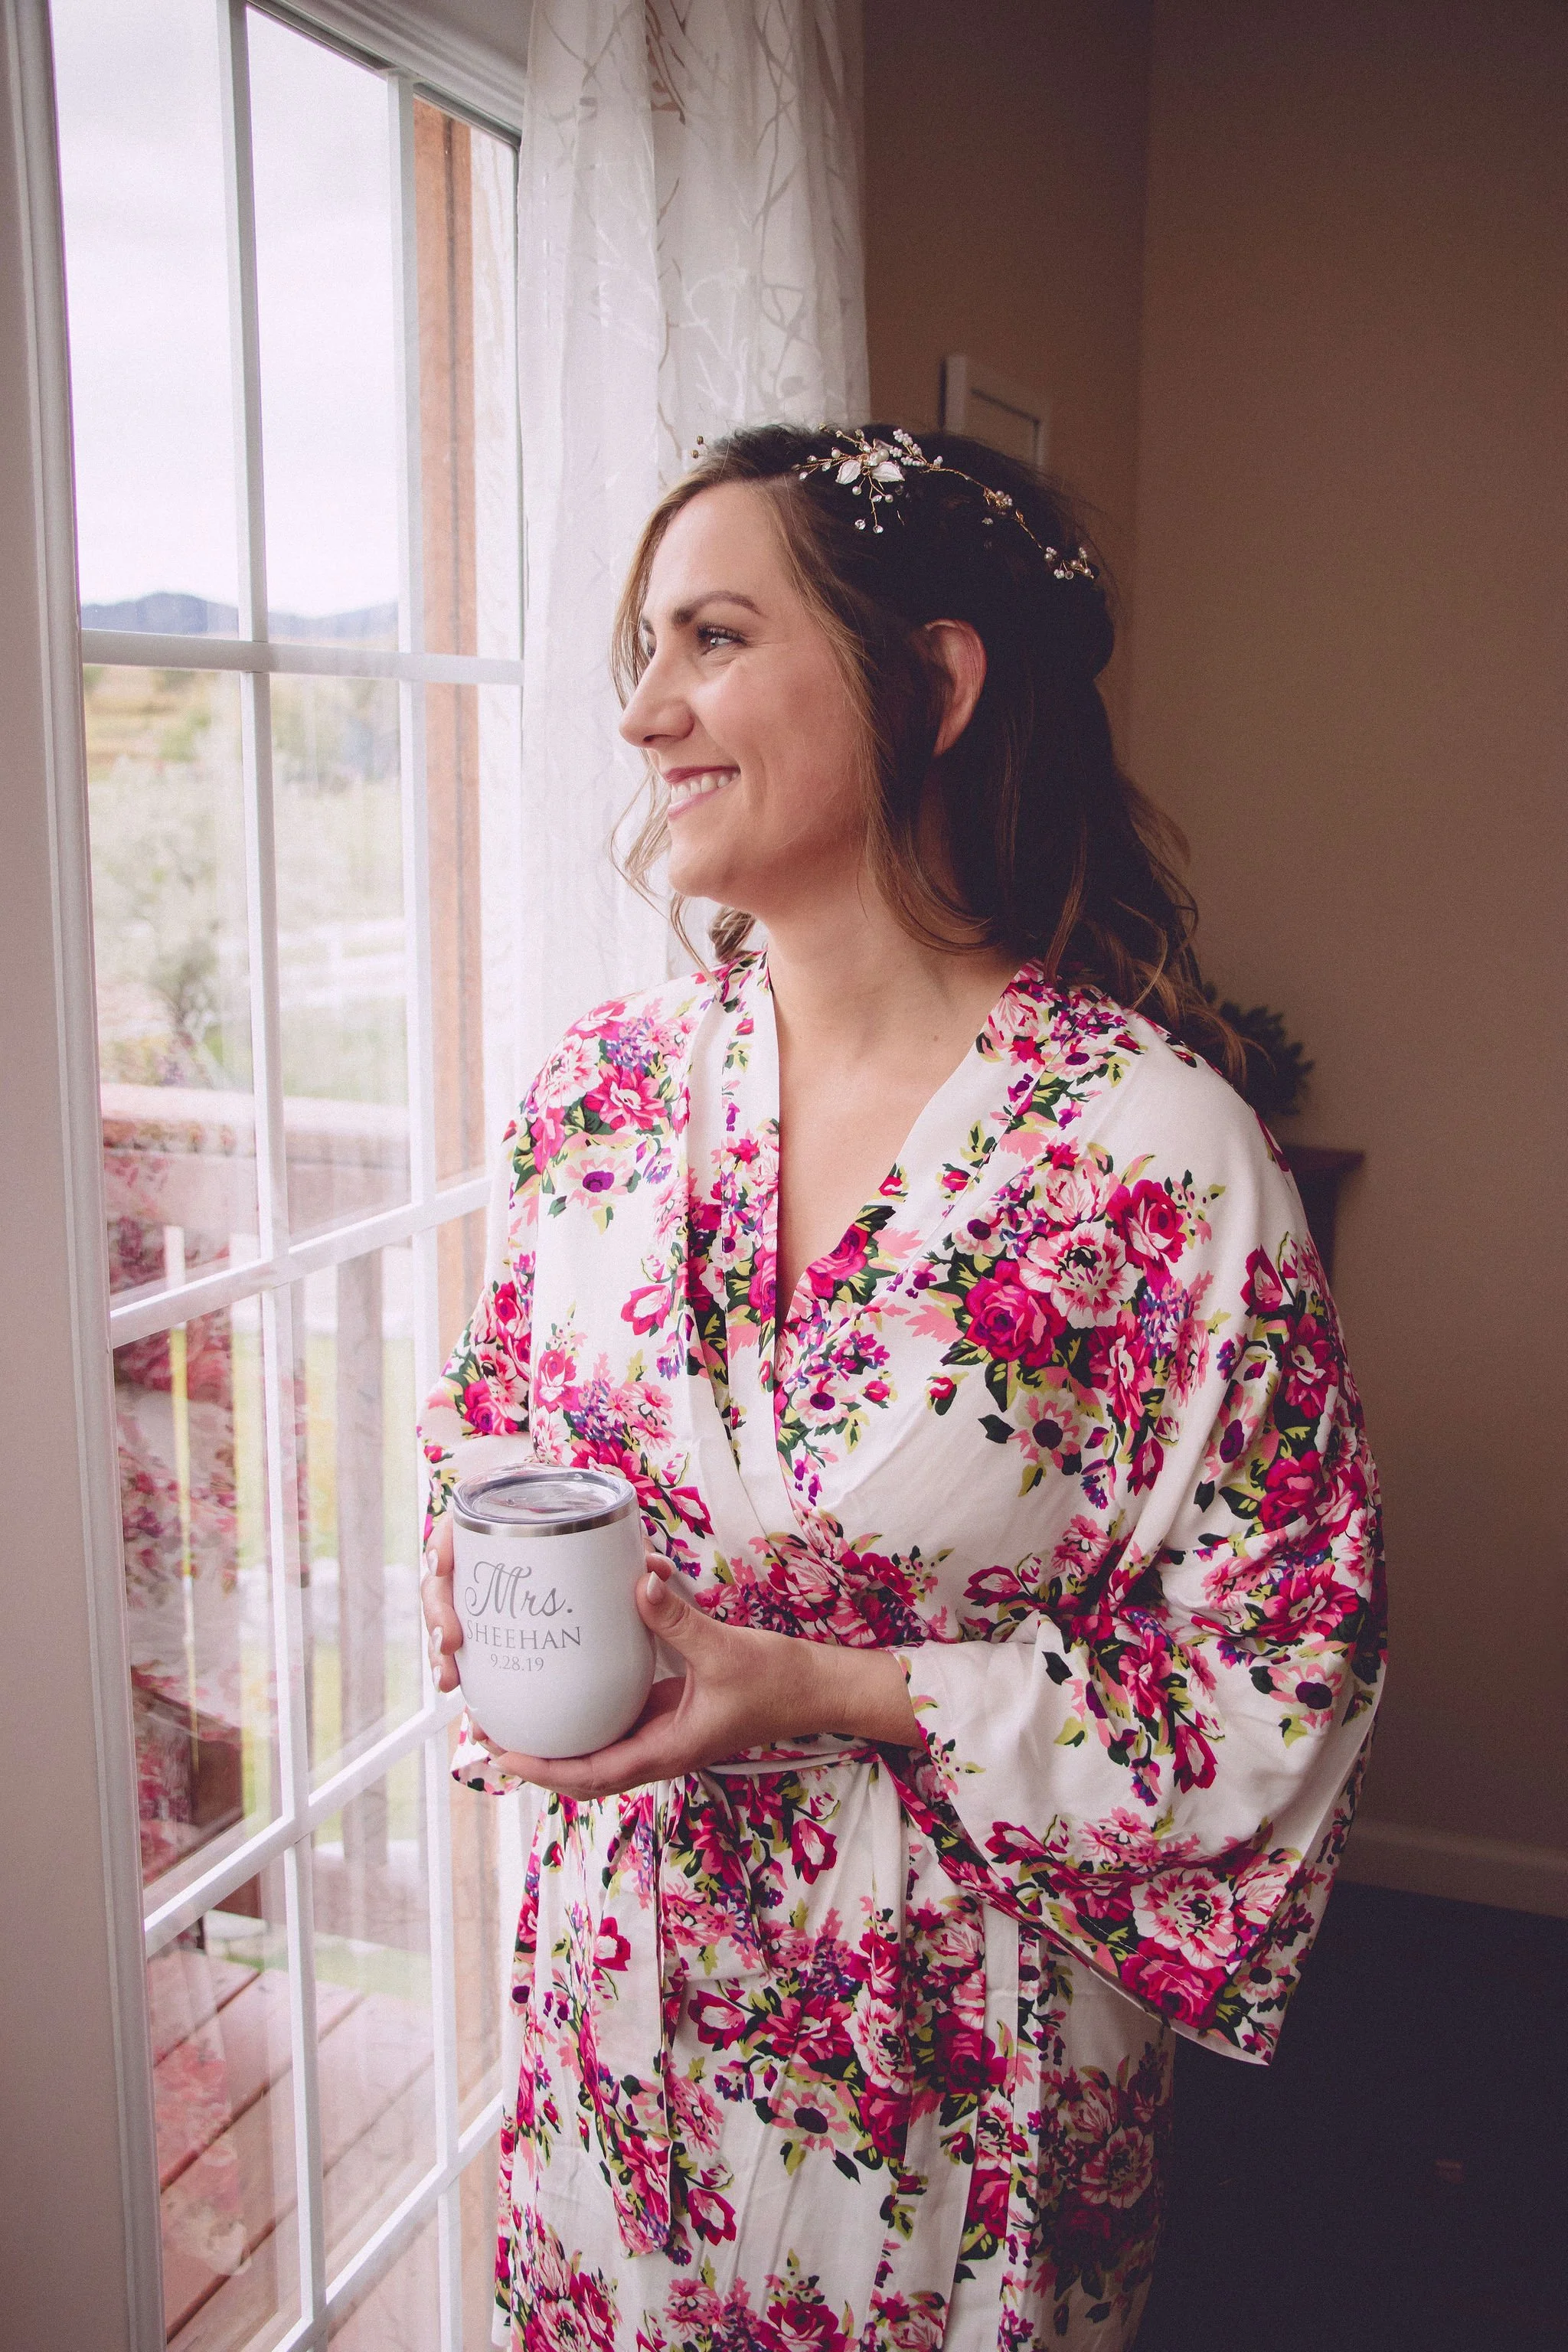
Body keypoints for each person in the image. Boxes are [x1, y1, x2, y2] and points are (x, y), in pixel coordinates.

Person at [419, 424, 1385, 2352]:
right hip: (626, 2028)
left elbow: (1288, 1665)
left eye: (707, 638)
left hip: (960, 2066)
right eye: (640, 651)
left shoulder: (1156, 1154)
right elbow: (485, 1453)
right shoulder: (597, 1104)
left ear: (931, 682)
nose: (645, 715)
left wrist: (851, 1690)